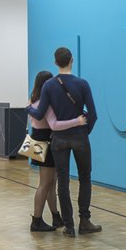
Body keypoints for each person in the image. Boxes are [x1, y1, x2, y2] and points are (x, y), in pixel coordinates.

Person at [27, 47, 101, 237]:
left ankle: (68, 226)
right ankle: (84, 221)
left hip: (58, 140)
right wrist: (84, 131)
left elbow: (41, 111)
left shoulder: (48, 86)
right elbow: (93, 114)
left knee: (62, 181)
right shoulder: (83, 84)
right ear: (72, 60)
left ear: (55, 62)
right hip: (79, 137)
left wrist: (28, 108)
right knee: (85, 178)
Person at [26, 71, 86, 232]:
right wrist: (77, 121)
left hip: (36, 140)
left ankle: (55, 217)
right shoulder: (45, 104)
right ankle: (37, 221)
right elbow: (54, 125)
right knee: (46, 184)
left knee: (50, 183)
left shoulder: (33, 101)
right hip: (47, 141)